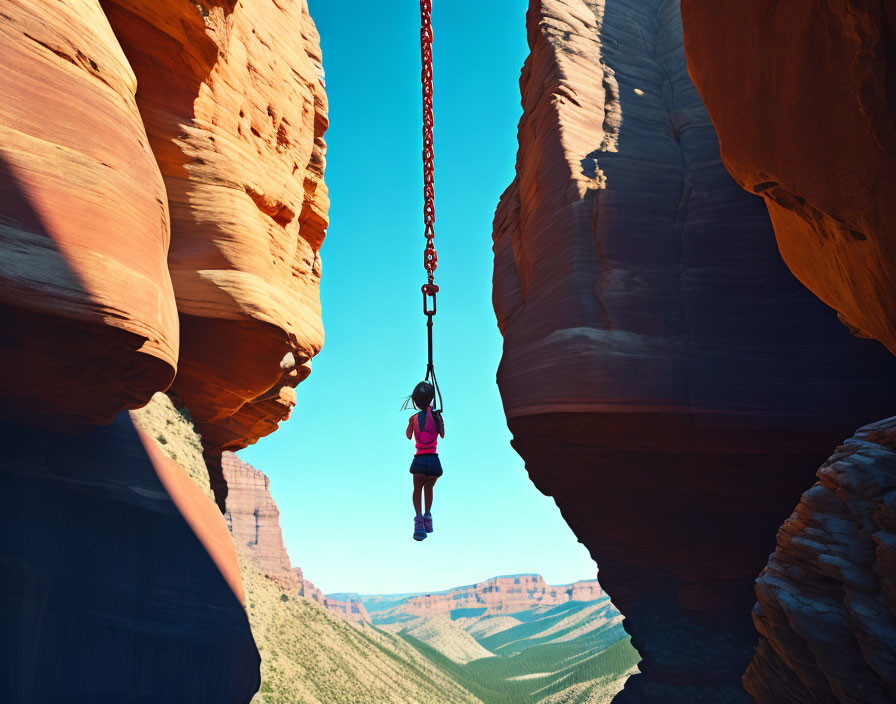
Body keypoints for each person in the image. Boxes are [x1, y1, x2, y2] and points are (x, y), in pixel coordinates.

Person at [405, 381, 444, 541]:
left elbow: (408, 435)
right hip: (433, 460)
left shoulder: (413, 418)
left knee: (417, 489)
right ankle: (428, 515)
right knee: (429, 488)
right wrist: (436, 415)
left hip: (419, 459)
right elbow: (442, 434)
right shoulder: (436, 417)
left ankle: (419, 519)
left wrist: (411, 424)